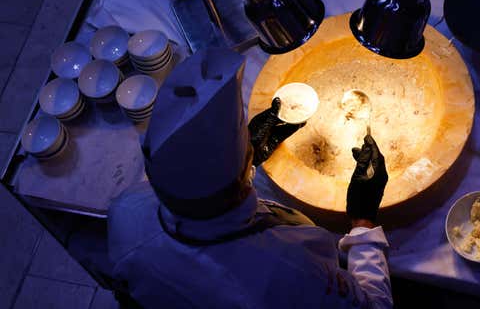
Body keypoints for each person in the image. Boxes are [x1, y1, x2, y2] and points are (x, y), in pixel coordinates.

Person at [108, 46, 393, 308]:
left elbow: (206, 201)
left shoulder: (128, 209)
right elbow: (375, 305)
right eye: (246, 152)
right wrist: (363, 221)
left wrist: (247, 160)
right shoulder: (288, 270)